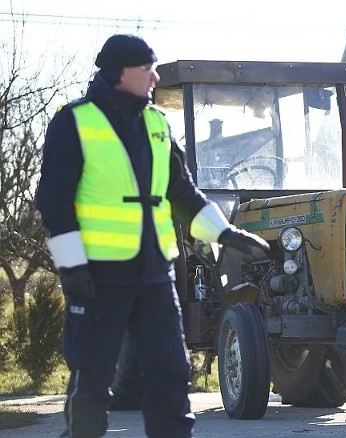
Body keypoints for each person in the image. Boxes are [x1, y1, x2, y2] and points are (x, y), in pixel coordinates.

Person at [35, 34, 270, 438]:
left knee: (172, 376)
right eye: (148, 69)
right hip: (97, 276)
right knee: (92, 377)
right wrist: (71, 265)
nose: (155, 77)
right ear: (120, 73)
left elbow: (183, 195)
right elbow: (54, 201)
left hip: (155, 277)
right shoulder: (73, 121)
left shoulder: (157, 123)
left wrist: (227, 233)